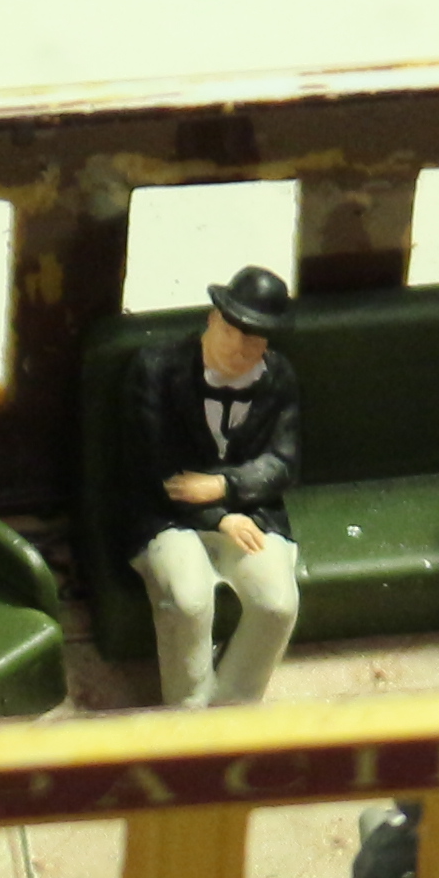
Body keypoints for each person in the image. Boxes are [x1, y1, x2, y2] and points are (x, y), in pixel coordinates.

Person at [119, 263, 304, 706]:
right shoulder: (156, 369)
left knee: (277, 604)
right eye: (230, 331)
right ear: (212, 319)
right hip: (166, 514)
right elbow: (155, 467)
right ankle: (187, 710)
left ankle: (232, 706)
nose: (238, 349)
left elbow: (282, 463)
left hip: (250, 510)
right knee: (188, 600)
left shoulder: (278, 377)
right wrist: (219, 519)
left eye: (254, 339)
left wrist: (224, 488)